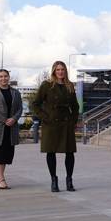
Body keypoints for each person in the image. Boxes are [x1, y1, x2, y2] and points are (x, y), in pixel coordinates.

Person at [33, 61, 79, 192]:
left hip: (66, 123)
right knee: (50, 152)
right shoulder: (46, 85)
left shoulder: (69, 85)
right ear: (54, 71)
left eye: (62, 69)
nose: (60, 72)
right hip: (51, 124)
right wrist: (45, 117)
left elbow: (75, 106)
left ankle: (69, 180)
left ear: (65, 71)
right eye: (58, 69)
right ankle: (54, 179)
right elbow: (36, 104)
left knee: (70, 152)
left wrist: (73, 121)